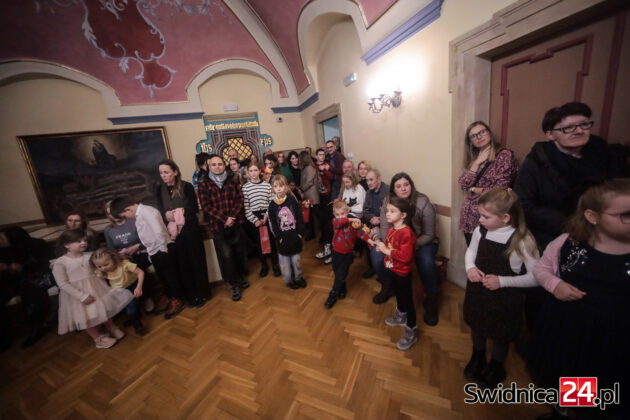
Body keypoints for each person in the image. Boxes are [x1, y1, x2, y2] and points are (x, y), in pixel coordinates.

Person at [527, 179, 630, 419]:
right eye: (625, 215)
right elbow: (542, 269)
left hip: (617, 338)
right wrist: (556, 285)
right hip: (571, 332)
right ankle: (567, 412)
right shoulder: (568, 243)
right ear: (592, 216)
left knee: (607, 387)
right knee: (573, 381)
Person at [514, 102, 629, 250]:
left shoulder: (604, 151)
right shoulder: (537, 161)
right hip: (554, 234)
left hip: (603, 231)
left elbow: (619, 191)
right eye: (568, 128)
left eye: (584, 124)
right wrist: (572, 224)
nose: (579, 131)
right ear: (550, 134)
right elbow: (523, 204)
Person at [463, 188, 539, 389]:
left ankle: (496, 365)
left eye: (485, 216)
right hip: (478, 291)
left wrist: (502, 281)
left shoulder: (522, 240)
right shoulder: (480, 231)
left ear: (505, 218)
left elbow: (536, 277)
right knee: (477, 324)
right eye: (480, 215)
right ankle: (478, 356)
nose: (480, 220)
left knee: (500, 333)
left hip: (505, 297)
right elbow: (471, 252)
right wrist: (470, 267)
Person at [371, 173, 440, 327]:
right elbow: (384, 229)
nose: (403, 188)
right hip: (396, 242)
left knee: (426, 261)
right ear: (393, 189)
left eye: (406, 185)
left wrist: (408, 247)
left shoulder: (422, 201)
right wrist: (388, 246)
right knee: (376, 255)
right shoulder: (388, 202)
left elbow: (429, 234)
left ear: (411, 186)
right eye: (398, 186)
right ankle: (388, 285)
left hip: (423, 242)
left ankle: (431, 297)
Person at [52, 229, 132, 349]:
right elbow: (62, 283)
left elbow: (101, 267)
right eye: (78, 241)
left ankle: (111, 327)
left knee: (104, 308)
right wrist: (81, 296)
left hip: (97, 287)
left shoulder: (91, 255)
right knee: (86, 316)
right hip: (78, 294)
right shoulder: (60, 263)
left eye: (84, 240)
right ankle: (97, 338)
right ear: (67, 245)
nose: (83, 243)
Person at [110, 197, 186, 319]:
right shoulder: (139, 214)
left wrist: (163, 248)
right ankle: (168, 297)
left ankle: (177, 300)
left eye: (124, 216)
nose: (126, 218)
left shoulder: (147, 211)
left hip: (162, 248)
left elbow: (158, 231)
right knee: (163, 278)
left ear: (128, 209)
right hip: (154, 250)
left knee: (170, 277)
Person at [156, 159, 211, 307]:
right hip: (174, 233)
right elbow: (159, 211)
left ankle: (203, 294)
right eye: (161, 173)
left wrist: (177, 212)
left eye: (166, 172)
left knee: (196, 261)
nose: (163, 175)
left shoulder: (186, 186)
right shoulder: (159, 190)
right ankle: (191, 296)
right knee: (182, 264)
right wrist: (166, 215)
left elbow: (194, 208)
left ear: (175, 172)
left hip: (190, 229)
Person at [197, 154, 249, 301]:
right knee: (227, 256)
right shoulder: (204, 184)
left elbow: (240, 199)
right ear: (209, 166)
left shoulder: (233, 179)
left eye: (220, 164)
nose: (217, 167)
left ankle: (241, 276)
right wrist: (224, 219)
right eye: (214, 164)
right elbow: (206, 206)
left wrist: (231, 216)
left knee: (239, 252)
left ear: (224, 165)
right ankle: (234, 284)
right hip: (218, 227)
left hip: (235, 223)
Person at [458, 121, 518, 245]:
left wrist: (474, 189)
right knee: (472, 253)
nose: (479, 137)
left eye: (482, 132)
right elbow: (463, 184)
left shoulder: (504, 155)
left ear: (489, 133)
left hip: (490, 217)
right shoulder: (474, 158)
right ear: (471, 141)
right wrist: (476, 163)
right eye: (474, 136)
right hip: (469, 219)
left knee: (487, 254)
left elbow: (500, 190)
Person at [371, 197, 417, 351]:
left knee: (407, 300)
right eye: (387, 211)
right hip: (392, 269)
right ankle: (400, 315)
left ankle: (411, 330)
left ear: (403, 215)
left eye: (392, 211)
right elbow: (389, 247)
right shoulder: (391, 230)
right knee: (398, 293)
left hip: (403, 273)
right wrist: (381, 247)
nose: (387, 214)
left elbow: (406, 256)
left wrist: (386, 251)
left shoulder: (407, 233)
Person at [0, 226, 54, 349]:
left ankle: (38, 324)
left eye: (2, 239)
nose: (0, 242)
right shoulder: (5, 249)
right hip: (14, 278)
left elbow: (45, 265)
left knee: (30, 288)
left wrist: (22, 267)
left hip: (39, 275)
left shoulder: (37, 244)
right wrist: (6, 267)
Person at [90, 247, 148, 336]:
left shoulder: (124, 264)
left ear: (113, 258)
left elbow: (141, 272)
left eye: (106, 264)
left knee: (134, 305)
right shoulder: (101, 271)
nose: (103, 268)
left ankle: (136, 319)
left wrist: (139, 287)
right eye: (99, 266)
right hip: (120, 290)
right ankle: (137, 324)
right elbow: (96, 278)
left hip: (133, 284)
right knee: (129, 308)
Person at [324, 201, 370, 309]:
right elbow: (340, 222)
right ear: (334, 215)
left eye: (342, 214)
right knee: (338, 274)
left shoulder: (352, 224)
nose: (340, 217)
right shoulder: (335, 221)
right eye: (337, 214)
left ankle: (332, 295)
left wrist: (371, 241)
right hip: (336, 252)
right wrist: (352, 219)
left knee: (341, 275)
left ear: (347, 212)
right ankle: (342, 289)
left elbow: (361, 233)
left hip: (347, 255)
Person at [242, 162, 281, 278]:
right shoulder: (245, 188)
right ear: (248, 173)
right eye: (251, 171)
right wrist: (255, 220)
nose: (253, 173)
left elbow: (271, 202)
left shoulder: (267, 186)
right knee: (259, 243)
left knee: (272, 242)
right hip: (254, 216)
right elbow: (246, 207)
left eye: (255, 170)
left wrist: (267, 215)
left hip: (267, 215)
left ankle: (275, 264)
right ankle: (264, 265)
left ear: (259, 171)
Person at [267, 175, 306, 290]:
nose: (278, 188)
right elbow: (273, 224)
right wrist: (278, 237)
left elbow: (299, 216)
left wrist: (300, 233)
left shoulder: (292, 200)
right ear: (273, 188)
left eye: (281, 186)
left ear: (286, 187)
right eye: (276, 186)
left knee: (296, 261)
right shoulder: (272, 206)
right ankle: (289, 280)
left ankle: (298, 277)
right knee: (285, 265)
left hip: (294, 237)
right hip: (282, 240)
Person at [361, 168, 389, 278]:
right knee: (363, 236)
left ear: (379, 179)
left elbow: (393, 212)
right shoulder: (368, 193)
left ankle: (384, 271)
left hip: (387, 225)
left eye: (371, 180)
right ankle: (373, 267)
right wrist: (372, 217)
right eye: (367, 180)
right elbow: (365, 210)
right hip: (373, 223)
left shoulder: (387, 191)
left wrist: (380, 219)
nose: (368, 183)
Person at [315, 147, 335, 264]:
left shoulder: (327, 165)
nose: (322, 156)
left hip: (327, 195)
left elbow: (331, 177)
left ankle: (328, 245)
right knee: (320, 219)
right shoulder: (313, 166)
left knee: (327, 219)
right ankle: (324, 242)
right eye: (320, 155)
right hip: (317, 196)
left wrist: (325, 170)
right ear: (316, 156)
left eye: (323, 154)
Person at [298, 150, 321, 241]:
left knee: (314, 216)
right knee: (309, 216)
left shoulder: (310, 168)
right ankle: (311, 233)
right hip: (307, 196)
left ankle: (317, 234)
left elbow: (309, 182)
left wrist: (301, 189)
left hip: (312, 197)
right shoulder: (306, 168)